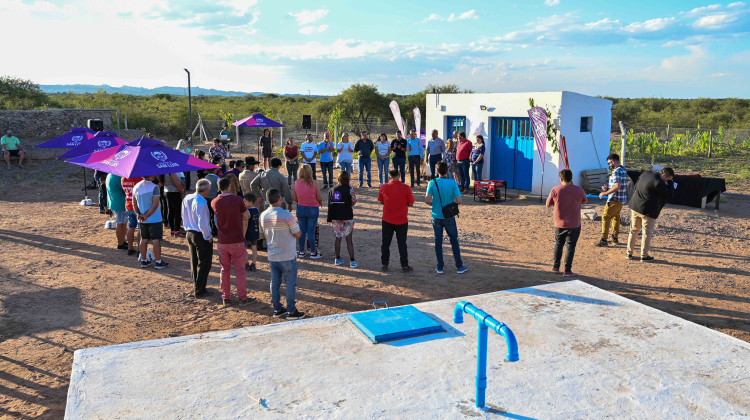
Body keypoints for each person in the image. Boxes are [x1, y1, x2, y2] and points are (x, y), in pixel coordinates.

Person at [260, 188, 306, 320]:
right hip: (287, 255)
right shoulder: (286, 215)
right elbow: (297, 233)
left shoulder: (263, 215)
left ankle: (277, 308)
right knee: (290, 283)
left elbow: (263, 235)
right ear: (279, 199)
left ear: (267, 200)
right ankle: (291, 311)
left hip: (273, 255)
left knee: (275, 282)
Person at [212, 177, 253, 306]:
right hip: (237, 239)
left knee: (224, 269)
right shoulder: (237, 200)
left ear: (219, 188)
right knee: (240, 270)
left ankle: (226, 298)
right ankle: (242, 298)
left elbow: (217, 222)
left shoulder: (214, 202)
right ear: (230, 186)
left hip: (223, 240)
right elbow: (246, 215)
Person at [425, 161, 467, 274]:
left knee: (438, 241)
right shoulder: (452, 183)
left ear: (437, 171)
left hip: (436, 215)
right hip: (449, 216)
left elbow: (427, 200)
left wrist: (434, 204)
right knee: (454, 240)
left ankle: (440, 266)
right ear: (447, 170)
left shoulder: (432, 183)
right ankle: (459, 266)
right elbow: (459, 200)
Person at [627, 168, 675, 261]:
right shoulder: (658, 182)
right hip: (648, 211)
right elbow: (669, 194)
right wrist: (671, 183)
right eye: (668, 179)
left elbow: (636, 185)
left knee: (633, 230)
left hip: (635, 206)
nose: (668, 181)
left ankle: (629, 253)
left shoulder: (646, 173)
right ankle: (644, 256)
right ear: (664, 175)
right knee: (646, 233)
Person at [546, 169, 588, 276]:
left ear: (561, 179)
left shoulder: (555, 190)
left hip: (559, 223)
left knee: (559, 244)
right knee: (570, 246)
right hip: (574, 224)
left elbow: (548, 204)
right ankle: (567, 270)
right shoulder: (579, 190)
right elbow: (585, 200)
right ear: (571, 178)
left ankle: (556, 267)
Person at [182, 179, 214, 297]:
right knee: (204, 263)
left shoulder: (188, 198)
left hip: (189, 232)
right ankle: (200, 289)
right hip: (200, 234)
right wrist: (208, 236)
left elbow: (183, 215)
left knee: (194, 261)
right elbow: (203, 223)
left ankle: (197, 285)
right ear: (206, 190)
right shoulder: (201, 202)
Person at [378, 169, 415, 272]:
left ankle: (385, 264)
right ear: (399, 175)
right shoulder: (406, 188)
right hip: (401, 220)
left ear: (389, 177)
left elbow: (381, 201)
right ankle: (404, 265)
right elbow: (411, 203)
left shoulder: (384, 187)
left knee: (385, 243)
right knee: (402, 243)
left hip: (387, 219)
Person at [132, 175, 169, 269]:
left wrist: (139, 214)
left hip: (142, 219)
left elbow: (134, 203)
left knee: (143, 240)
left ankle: (144, 261)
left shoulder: (136, 186)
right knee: (156, 240)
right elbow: (155, 204)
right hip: (154, 218)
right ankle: (158, 262)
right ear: (151, 176)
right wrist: (147, 215)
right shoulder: (154, 187)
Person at [593, 153, 629, 247]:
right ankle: (614, 238)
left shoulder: (616, 171)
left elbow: (617, 187)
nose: (609, 165)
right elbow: (618, 185)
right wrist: (608, 187)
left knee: (605, 217)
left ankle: (604, 239)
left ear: (613, 161)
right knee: (615, 218)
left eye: (609, 163)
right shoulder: (623, 170)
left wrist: (605, 193)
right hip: (621, 199)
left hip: (614, 199)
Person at [328, 171, 358, 267]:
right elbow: (353, 202)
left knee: (338, 238)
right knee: (349, 239)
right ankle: (352, 261)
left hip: (336, 216)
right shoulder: (350, 189)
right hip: (347, 215)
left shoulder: (332, 190)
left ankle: (337, 259)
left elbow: (330, 204)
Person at [293, 164, 323, 259]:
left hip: (301, 208)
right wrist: (320, 202)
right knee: (311, 231)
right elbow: (319, 197)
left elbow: (295, 198)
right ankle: (313, 251)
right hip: (313, 209)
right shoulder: (314, 183)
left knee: (302, 231)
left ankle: (301, 251)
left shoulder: (296, 183)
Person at [105, 172, 128, 251]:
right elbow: (125, 189)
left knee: (123, 223)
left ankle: (123, 241)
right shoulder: (118, 177)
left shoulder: (109, 175)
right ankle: (120, 244)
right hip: (120, 203)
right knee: (120, 223)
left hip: (114, 202)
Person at [121, 175, 142, 256]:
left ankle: (130, 248)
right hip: (138, 206)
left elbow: (124, 191)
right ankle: (140, 249)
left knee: (131, 226)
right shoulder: (139, 178)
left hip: (128, 204)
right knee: (140, 228)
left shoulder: (123, 178)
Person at [163, 172, 186, 237]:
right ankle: (177, 230)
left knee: (170, 211)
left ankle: (173, 229)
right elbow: (176, 183)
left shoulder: (164, 173)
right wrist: (182, 191)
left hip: (167, 191)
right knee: (177, 211)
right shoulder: (172, 172)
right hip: (174, 192)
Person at [243, 193, 260, 272]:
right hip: (255, 232)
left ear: (250, 202)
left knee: (244, 248)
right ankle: (253, 264)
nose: (244, 203)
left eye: (245, 201)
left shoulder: (247, 212)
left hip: (247, 232)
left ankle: (246, 264)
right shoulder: (257, 210)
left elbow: (245, 224)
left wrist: (243, 234)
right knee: (254, 247)